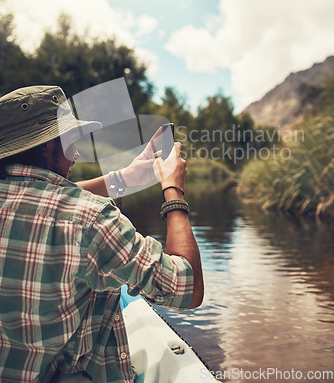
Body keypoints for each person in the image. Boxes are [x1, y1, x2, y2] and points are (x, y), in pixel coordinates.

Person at [0, 85, 204, 383]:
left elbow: (42, 195)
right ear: (47, 146)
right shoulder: (90, 218)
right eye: (70, 142)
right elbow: (188, 288)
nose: (77, 154)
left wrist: (125, 179)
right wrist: (173, 189)